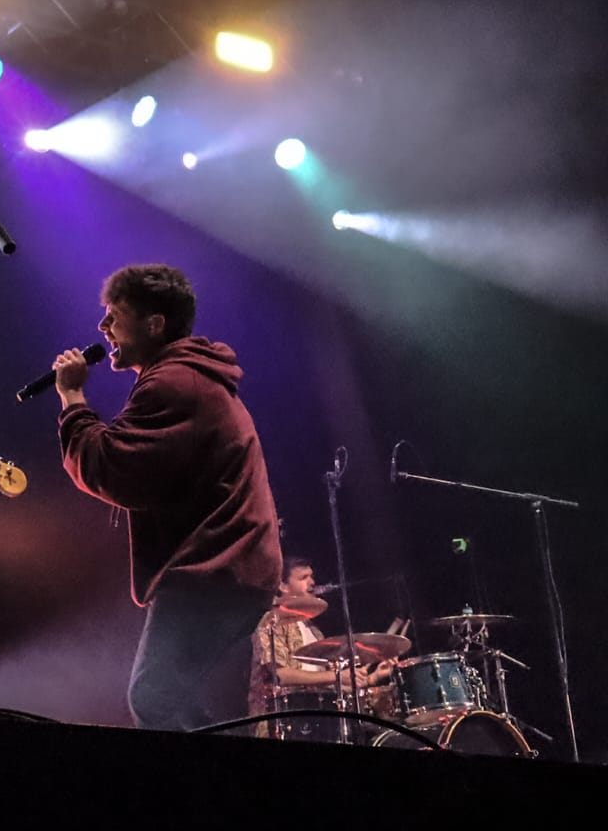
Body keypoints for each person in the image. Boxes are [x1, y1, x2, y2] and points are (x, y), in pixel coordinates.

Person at [51, 263, 282, 730]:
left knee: (153, 694)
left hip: (220, 565)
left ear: (155, 323)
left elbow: (111, 467)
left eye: (115, 315)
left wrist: (72, 398)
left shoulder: (175, 382)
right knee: (169, 697)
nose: (103, 328)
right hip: (230, 567)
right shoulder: (188, 377)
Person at [248, 556, 398, 737]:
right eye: (303, 578)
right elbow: (279, 675)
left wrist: (371, 679)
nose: (312, 582)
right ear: (283, 586)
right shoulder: (270, 623)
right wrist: (335, 676)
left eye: (311, 576)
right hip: (283, 722)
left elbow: (332, 687)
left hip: (317, 718)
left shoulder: (314, 631)